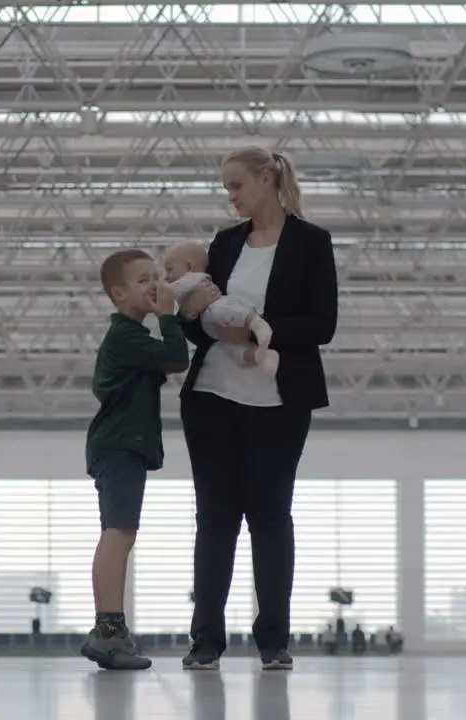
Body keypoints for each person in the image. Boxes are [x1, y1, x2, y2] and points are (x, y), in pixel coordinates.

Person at [176, 146, 338, 671]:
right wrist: (196, 316)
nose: (231, 197)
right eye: (227, 188)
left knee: (270, 517)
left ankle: (273, 640)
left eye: (237, 186)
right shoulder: (223, 243)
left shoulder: (312, 242)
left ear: (266, 180)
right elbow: (195, 311)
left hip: (280, 400)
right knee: (214, 520)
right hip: (210, 399)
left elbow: (322, 325)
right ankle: (206, 641)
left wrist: (254, 329)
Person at [79, 248, 190, 671]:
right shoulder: (127, 337)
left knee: (120, 532)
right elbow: (177, 359)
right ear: (118, 293)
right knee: (118, 532)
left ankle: (110, 631)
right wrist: (169, 316)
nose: (155, 285)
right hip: (120, 445)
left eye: (155, 277)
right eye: (143, 280)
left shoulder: (130, 339)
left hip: (120, 445)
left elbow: (163, 363)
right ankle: (108, 631)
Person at [162, 240, 278, 374]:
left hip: (218, 310)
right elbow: (193, 330)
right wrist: (188, 312)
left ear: (189, 266)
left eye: (170, 269)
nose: (166, 276)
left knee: (229, 316)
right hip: (213, 328)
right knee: (229, 349)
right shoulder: (225, 241)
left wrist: (157, 288)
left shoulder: (192, 278)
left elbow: (169, 292)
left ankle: (257, 325)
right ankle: (258, 357)